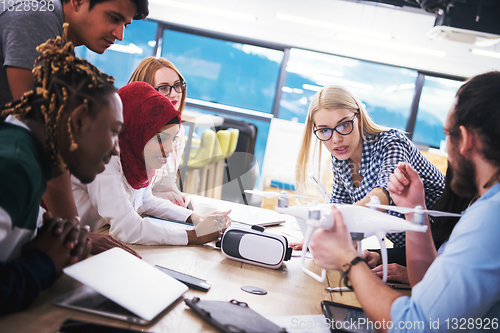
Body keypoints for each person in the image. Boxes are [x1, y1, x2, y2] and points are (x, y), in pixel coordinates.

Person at [310, 71, 500, 332]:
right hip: (420, 249)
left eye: (447, 135)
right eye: (325, 131)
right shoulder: (483, 208)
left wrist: (348, 260)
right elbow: (429, 283)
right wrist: (415, 211)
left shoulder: (490, 218)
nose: (336, 137)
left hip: (434, 242)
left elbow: (415, 326)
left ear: (465, 140)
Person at [0, 0, 149, 255]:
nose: (120, 35)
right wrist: (76, 236)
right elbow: (47, 142)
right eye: (113, 18)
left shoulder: (60, 46)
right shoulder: (36, 14)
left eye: (125, 24)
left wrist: (65, 231)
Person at [0, 31, 121, 314]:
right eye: (114, 131)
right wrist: (43, 260)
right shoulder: (14, 166)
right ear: (79, 119)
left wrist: (57, 238)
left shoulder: (26, 156)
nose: (116, 149)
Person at [71, 82, 230, 245]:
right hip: (66, 246)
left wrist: (195, 217)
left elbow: (145, 201)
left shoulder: (135, 160)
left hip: (89, 240)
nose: (168, 149)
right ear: (135, 130)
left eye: (173, 139)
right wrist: (194, 235)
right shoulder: (102, 156)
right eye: (161, 138)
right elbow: (127, 228)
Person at [297, 85, 445, 248]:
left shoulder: (391, 143)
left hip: (445, 243)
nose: (336, 139)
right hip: (408, 249)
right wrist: (314, 237)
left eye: (343, 125)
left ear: (358, 118)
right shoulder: (340, 158)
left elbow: (384, 194)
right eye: (324, 130)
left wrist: (331, 228)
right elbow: (339, 204)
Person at [366, 163, 475, 284]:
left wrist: (414, 276)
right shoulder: (462, 199)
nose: (445, 149)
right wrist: (377, 256)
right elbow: (434, 251)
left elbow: (459, 284)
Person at [127, 57, 190, 207]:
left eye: (177, 85)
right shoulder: (130, 133)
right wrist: (161, 198)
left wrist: (179, 197)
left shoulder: (178, 131)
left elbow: (167, 184)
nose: (174, 94)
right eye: (163, 88)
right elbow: (130, 197)